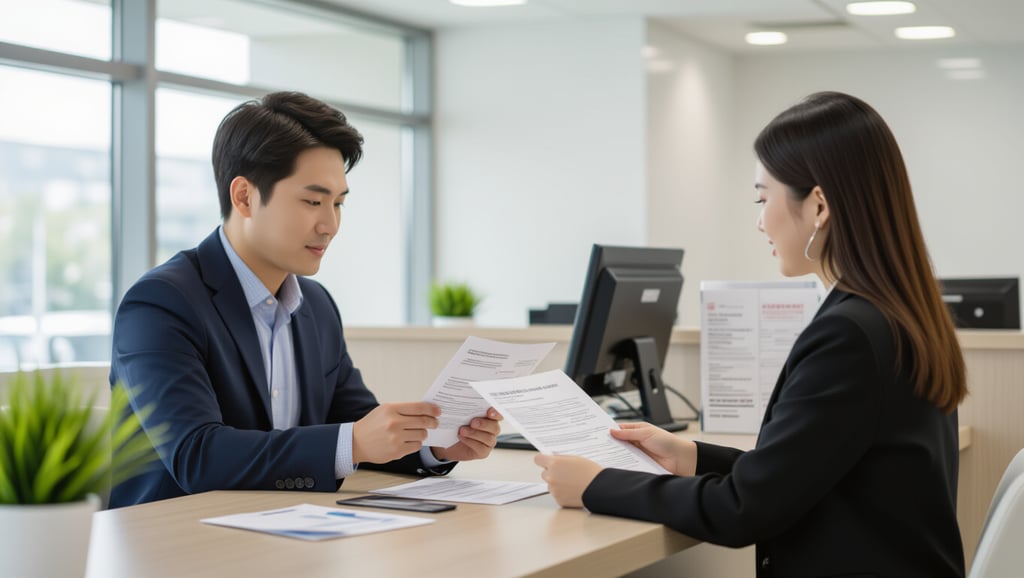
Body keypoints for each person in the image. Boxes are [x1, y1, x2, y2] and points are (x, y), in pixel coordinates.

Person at [535, 92, 968, 577]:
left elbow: (744, 509)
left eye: (763, 199)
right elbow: (798, 470)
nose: (759, 222)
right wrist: (690, 454)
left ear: (819, 205)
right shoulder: (895, 313)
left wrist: (596, 486)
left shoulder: (849, 335)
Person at [110, 91, 501, 507]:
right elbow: (196, 455)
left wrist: (434, 445)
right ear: (244, 197)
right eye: (313, 201)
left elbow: (356, 424)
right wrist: (354, 441)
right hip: (179, 533)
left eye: (338, 203)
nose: (330, 224)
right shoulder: (161, 304)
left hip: (282, 525)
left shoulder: (316, 304)